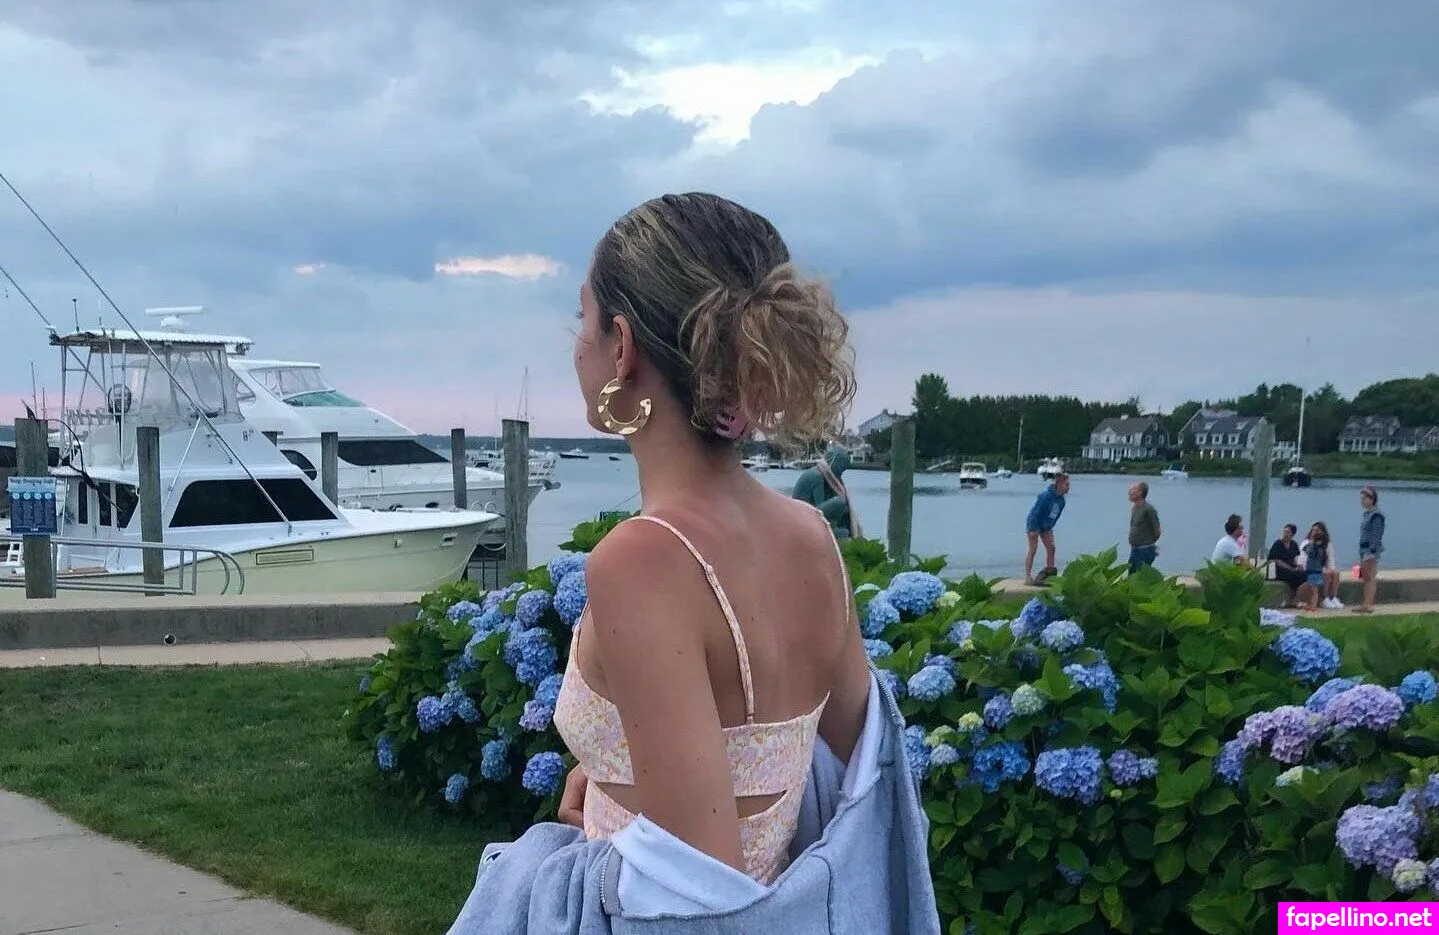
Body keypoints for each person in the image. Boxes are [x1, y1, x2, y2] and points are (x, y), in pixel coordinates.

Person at [555, 192, 875, 887]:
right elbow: (855, 776)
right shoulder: (811, 535)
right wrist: (613, 771)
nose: (576, 346)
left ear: (621, 347)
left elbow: (696, 891)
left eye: (582, 319)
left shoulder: (643, 560)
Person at [792, 446, 862, 539]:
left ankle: (837, 528)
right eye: (841, 468)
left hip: (811, 514)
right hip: (804, 516)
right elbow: (819, 510)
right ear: (834, 461)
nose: (841, 472)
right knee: (840, 501)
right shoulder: (816, 476)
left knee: (845, 513)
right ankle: (831, 528)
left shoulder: (828, 477)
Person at [1024, 473, 1069, 586]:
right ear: (1059, 484)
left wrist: (1048, 528)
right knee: (1033, 549)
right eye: (1066, 485)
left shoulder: (1062, 501)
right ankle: (1028, 576)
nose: (1068, 487)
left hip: (1046, 525)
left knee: (1051, 548)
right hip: (1034, 522)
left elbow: (1054, 517)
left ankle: (1050, 573)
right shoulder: (1045, 496)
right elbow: (1036, 513)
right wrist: (1034, 530)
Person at [1299, 521, 1341, 611]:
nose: (1315, 532)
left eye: (1317, 530)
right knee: (1318, 584)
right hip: (1311, 569)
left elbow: (1330, 559)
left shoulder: (1326, 544)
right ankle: (1325, 598)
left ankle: (1334, 598)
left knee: (1335, 573)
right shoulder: (1307, 543)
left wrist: (1330, 569)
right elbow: (1304, 559)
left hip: (1318, 568)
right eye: (1313, 530)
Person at [1357, 486, 1386, 614]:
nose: (1362, 501)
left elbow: (1376, 535)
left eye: (1364, 498)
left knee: (1370, 577)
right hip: (1363, 549)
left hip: (1370, 550)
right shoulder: (1366, 514)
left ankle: (1368, 605)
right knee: (1366, 577)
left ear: (1371, 499)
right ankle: (1365, 604)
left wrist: (1371, 552)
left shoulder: (1376, 516)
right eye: (1361, 498)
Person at [1267, 523, 1306, 607]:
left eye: (1288, 532)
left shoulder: (1294, 544)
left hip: (1292, 569)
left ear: (1292, 534)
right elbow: (1277, 560)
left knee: (1304, 575)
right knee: (1296, 575)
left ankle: (1296, 599)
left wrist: (1298, 566)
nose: (1285, 534)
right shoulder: (1277, 544)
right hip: (1281, 571)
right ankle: (1293, 600)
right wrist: (1291, 568)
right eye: (1284, 532)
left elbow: (1295, 558)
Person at [1126, 481, 1161, 573]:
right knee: (1131, 576)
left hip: (1145, 551)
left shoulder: (1149, 509)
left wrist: (1150, 544)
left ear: (1140, 493)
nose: (1129, 492)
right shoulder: (1134, 508)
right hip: (1134, 549)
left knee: (1141, 577)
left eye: (1133, 489)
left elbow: (1157, 530)